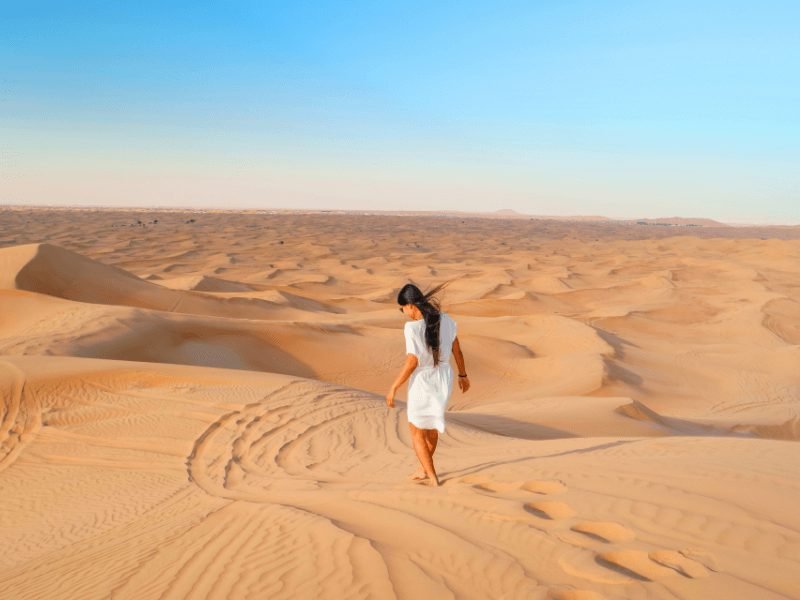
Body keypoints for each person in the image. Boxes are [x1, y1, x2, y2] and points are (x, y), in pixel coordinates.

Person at [386, 283, 470, 487]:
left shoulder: (411, 327)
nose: (403, 312)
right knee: (431, 426)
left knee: (416, 432)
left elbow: (412, 361)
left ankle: (432, 477)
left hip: (423, 379)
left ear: (411, 305)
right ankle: (424, 470)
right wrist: (462, 374)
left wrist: (394, 387)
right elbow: (457, 350)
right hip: (444, 377)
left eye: (402, 308)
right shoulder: (447, 320)